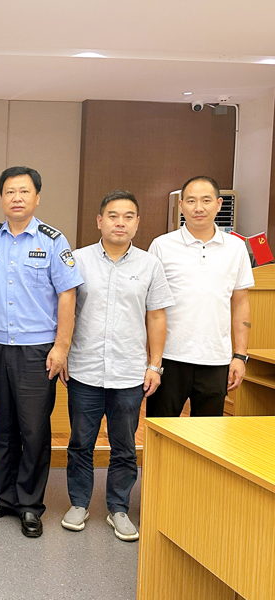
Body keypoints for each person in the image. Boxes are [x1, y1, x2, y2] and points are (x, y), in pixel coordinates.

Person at [0, 166, 83, 538]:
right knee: (0, 427)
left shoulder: (54, 241)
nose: (16, 198)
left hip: (37, 350)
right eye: (9, 191)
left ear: (37, 197)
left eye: (24, 191)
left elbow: (68, 295)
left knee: (33, 429)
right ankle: (4, 497)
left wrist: (61, 347)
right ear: (1, 197)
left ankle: (30, 504)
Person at [61, 190, 173, 541]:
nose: (119, 223)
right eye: (112, 216)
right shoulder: (77, 260)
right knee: (80, 442)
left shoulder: (149, 265)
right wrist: (61, 352)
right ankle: (79, 503)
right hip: (84, 369)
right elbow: (63, 312)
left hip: (129, 372)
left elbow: (156, 317)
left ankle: (118, 508)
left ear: (137, 222)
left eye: (127, 216)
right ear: (99, 221)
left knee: (124, 446)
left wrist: (155, 365)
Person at [147, 176, 254, 418]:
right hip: (169, 357)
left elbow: (241, 303)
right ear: (181, 205)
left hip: (216, 359)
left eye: (206, 200)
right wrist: (151, 359)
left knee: (208, 433)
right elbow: (150, 307)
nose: (198, 207)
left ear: (218, 204)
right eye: (191, 201)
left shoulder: (235, 248)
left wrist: (240, 355)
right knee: (161, 430)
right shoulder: (162, 246)